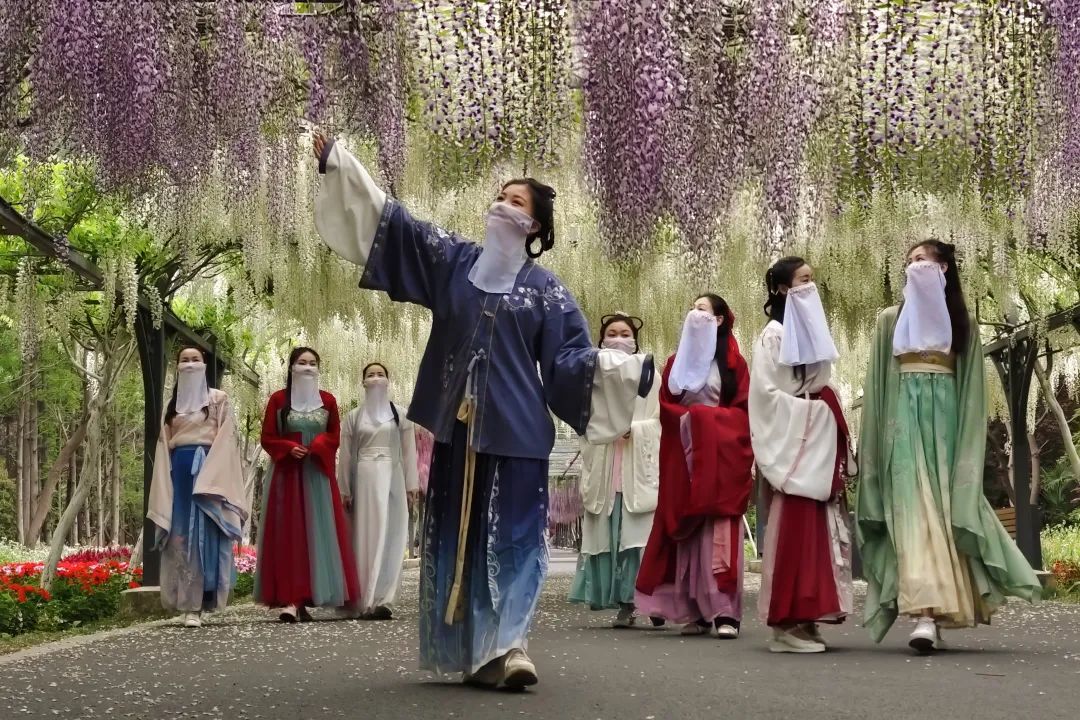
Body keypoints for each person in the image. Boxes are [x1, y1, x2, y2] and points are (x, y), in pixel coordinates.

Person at [312, 133, 642, 688]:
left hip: (517, 435)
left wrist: (623, 368)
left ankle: (511, 646)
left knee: (514, 539)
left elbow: (569, 360)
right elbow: (399, 226)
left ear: (533, 226)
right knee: (459, 540)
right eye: (500, 197)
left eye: (516, 202)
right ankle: (473, 652)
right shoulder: (455, 263)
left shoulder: (547, 291)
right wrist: (341, 166)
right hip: (458, 433)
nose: (502, 206)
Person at [856, 240, 1041, 653]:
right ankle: (924, 614)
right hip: (902, 429)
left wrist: (969, 448)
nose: (914, 266)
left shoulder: (963, 322)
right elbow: (878, 384)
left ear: (943, 268)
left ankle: (934, 613)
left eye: (923, 260)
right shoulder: (889, 321)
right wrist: (877, 442)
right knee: (913, 512)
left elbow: (972, 390)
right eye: (909, 261)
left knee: (944, 514)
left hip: (946, 430)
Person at [748, 257, 855, 653]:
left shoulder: (812, 331)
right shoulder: (774, 334)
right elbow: (766, 395)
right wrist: (817, 411)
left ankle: (807, 616)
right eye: (802, 281)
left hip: (817, 438)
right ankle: (786, 623)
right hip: (797, 439)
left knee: (820, 528)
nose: (810, 288)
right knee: (796, 527)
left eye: (812, 280)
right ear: (782, 289)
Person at [634, 294, 755, 639]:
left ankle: (725, 610)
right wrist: (693, 421)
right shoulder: (675, 363)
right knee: (686, 529)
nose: (694, 314)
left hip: (721, 455)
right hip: (683, 453)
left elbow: (744, 410)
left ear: (719, 320)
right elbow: (665, 406)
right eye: (692, 309)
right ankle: (694, 609)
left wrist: (705, 420)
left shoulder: (734, 364)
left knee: (719, 528)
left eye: (702, 310)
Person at [254, 347, 360, 622]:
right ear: (291, 367)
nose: (308, 367)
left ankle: (309, 596)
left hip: (317, 474)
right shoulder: (278, 399)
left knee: (318, 534)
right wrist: (287, 447)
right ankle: (290, 599)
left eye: (313, 363)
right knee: (289, 533)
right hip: (287, 475)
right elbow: (267, 437)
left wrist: (319, 444)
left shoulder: (328, 400)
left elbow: (335, 435)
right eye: (302, 362)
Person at [569, 313, 660, 628]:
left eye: (624, 334)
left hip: (638, 467)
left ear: (635, 340)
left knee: (638, 537)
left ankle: (648, 599)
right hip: (606, 467)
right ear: (601, 339)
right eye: (612, 333)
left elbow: (660, 421)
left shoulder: (651, 375)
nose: (618, 339)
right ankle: (624, 603)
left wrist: (635, 429)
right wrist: (604, 430)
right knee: (612, 535)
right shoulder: (591, 377)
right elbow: (582, 422)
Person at [148, 347, 247, 627]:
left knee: (206, 533)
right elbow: (163, 444)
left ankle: (201, 603)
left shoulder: (218, 399)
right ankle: (185, 602)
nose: (190, 364)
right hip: (179, 470)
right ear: (177, 366)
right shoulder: (172, 405)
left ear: (205, 365)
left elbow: (227, 438)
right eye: (185, 360)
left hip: (210, 472)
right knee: (180, 534)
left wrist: (211, 476)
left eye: (196, 360)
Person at [338, 362, 420, 620]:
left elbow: (409, 451)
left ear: (388, 380)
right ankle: (364, 598)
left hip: (393, 476)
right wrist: (344, 488)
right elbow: (346, 456)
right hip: (364, 478)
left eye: (380, 374)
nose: (376, 379)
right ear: (363, 382)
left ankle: (384, 598)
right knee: (365, 537)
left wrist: (411, 485)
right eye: (371, 375)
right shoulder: (353, 417)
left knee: (392, 535)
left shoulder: (401, 415)